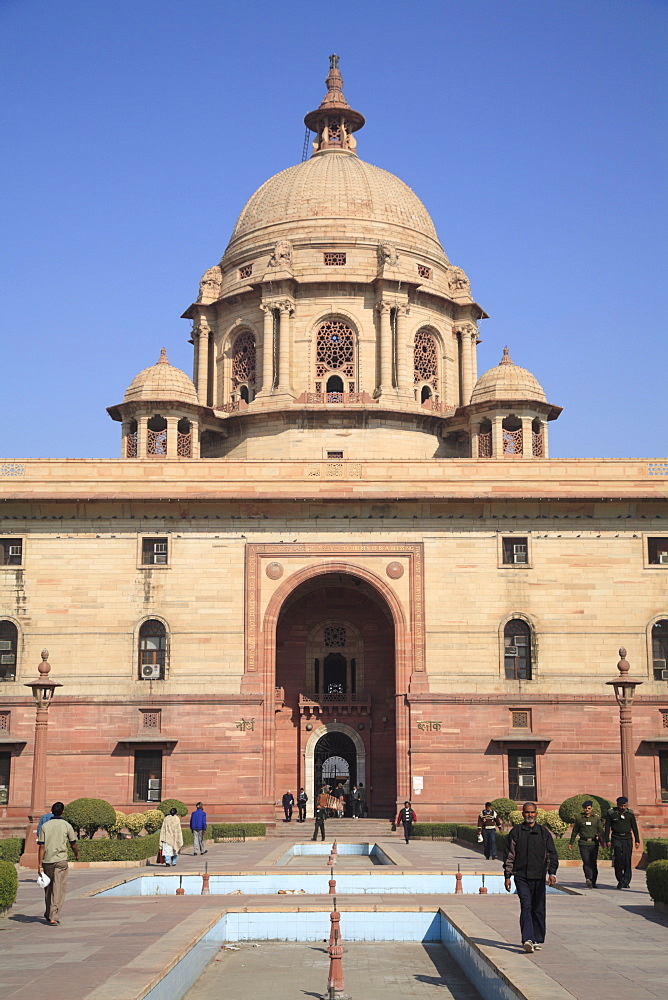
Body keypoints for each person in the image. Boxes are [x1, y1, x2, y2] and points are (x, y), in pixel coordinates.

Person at [503, 802, 558, 953]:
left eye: (532, 812)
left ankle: (537, 938)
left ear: (536, 814)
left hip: (539, 877)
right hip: (521, 876)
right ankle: (527, 938)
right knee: (526, 905)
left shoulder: (543, 832)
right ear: (523, 814)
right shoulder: (516, 832)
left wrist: (552, 872)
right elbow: (509, 855)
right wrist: (507, 875)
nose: (530, 815)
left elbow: (551, 854)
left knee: (538, 908)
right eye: (527, 813)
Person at [37, 801, 79, 925]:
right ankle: (53, 915)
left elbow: (41, 846)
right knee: (58, 888)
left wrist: (39, 864)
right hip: (61, 860)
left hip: (47, 860)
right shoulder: (66, 825)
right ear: (62, 812)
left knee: (48, 888)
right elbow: (73, 843)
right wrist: (76, 854)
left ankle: (48, 912)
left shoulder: (45, 826)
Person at [604, 796, 640, 889]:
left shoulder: (630, 813)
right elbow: (607, 827)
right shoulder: (611, 813)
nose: (623, 807)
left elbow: (634, 827)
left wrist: (637, 840)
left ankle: (626, 881)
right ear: (617, 804)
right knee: (619, 858)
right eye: (621, 806)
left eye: (624, 806)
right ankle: (620, 880)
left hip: (627, 838)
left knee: (627, 859)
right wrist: (607, 840)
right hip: (616, 838)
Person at [568, 800, 604, 888]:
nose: (587, 810)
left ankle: (593, 881)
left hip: (593, 843)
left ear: (591, 809)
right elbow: (575, 831)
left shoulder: (596, 819)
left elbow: (601, 831)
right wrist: (571, 843)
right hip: (583, 843)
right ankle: (588, 878)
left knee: (593, 863)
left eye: (589, 808)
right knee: (586, 861)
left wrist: (606, 841)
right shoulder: (579, 818)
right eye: (585, 808)